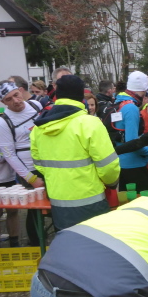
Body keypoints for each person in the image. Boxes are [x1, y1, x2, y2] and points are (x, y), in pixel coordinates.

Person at [30, 75, 120, 230]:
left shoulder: (39, 127)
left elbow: (39, 164)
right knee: (95, 242)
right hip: (91, 200)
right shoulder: (90, 123)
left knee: (68, 242)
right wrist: (111, 183)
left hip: (59, 202)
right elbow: (108, 166)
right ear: (81, 96)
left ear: (57, 95)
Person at [0, 81, 44, 245]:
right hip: (30, 169)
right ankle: (37, 244)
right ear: (3, 102)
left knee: (55, 204)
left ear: (20, 91)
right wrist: (30, 178)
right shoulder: (3, 122)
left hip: (49, 163)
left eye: (16, 95)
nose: (15, 101)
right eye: (9, 99)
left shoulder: (36, 105)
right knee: (35, 209)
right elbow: (9, 155)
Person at [115, 71, 148, 192]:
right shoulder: (131, 108)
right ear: (144, 91)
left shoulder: (119, 103)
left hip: (120, 162)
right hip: (134, 165)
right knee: (144, 199)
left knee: (127, 199)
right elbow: (132, 143)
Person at [0, 94, 19, 249]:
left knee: (13, 211)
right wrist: (3, 156)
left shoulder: (5, 123)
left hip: (9, 176)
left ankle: (15, 243)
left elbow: (13, 149)